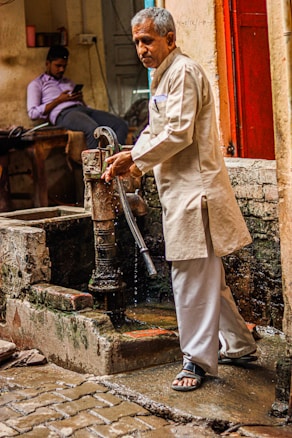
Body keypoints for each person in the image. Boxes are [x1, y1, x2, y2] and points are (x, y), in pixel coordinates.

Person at [102, 7, 257, 391]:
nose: (141, 49)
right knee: (207, 279)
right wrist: (134, 164)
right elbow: (158, 130)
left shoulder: (183, 72)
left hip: (195, 195)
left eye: (147, 40)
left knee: (190, 278)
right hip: (182, 193)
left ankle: (196, 361)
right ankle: (238, 344)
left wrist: (133, 158)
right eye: (136, 41)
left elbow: (178, 134)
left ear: (170, 39)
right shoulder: (164, 76)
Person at [27, 45, 128, 149]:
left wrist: (80, 99)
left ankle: (116, 161)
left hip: (83, 110)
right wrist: (58, 100)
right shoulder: (37, 84)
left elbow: (82, 106)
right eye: (58, 66)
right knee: (94, 130)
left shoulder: (68, 82)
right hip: (64, 115)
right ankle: (94, 164)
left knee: (120, 125)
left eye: (64, 66)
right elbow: (32, 113)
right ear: (47, 64)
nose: (61, 69)